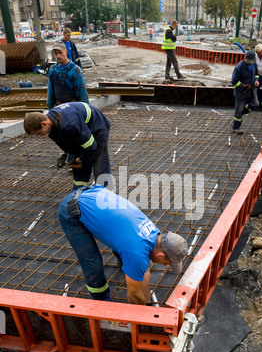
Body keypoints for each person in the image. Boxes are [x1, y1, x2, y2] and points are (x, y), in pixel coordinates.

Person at [58, 184, 188, 304]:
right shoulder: (137, 253)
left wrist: (147, 302)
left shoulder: (156, 234)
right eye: (168, 263)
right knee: (92, 263)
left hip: (94, 197)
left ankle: (126, 265)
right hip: (72, 209)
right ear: (160, 254)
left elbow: (144, 270)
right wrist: (143, 316)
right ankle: (103, 302)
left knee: (133, 257)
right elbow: (133, 297)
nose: (167, 266)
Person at [23, 102, 111, 190]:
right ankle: (79, 190)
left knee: (99, 161)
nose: (41, 135)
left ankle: (105, 192)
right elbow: (66, 142)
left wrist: (79, 159)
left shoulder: (70, 125)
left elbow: (91, 146)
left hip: (97, 126)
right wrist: (64, 155)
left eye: (39, 133)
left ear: (44, 124)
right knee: (77, 161)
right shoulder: (52, 124)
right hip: (80, 128)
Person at [47, 41, 89, 111]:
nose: (58, 56)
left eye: (60, 53)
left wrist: (86, 111)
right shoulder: (52, 70)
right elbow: (50, 92)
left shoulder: (75, 70)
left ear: (66, 52)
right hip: (59, 108)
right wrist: (50, 108)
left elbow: (82, 94)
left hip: (73, 109)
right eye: (56, 53)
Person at [231, 50, 260, 134]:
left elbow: (256, 73)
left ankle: (242, 111)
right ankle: (235, 127)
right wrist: (242, 87)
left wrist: (256, 80)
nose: (251, 63)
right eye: (249, 61)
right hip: (241, 93)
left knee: (255, 103)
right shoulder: (239, 67)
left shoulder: (253, 64)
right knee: (239, 110)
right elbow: (234, 81)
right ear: (245, 58)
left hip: (251, 90)